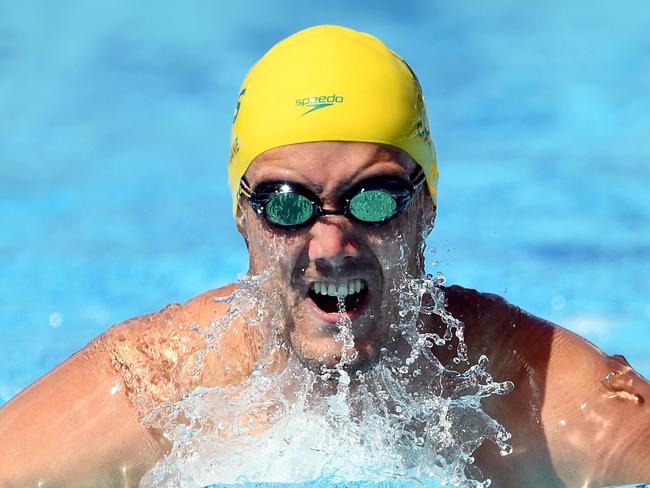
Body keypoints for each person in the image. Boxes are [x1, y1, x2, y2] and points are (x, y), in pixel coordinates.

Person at [1, 25, 649, 488]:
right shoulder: (159, 387)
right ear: (241, 214)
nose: (331, 244)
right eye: (286, 203)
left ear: (426, 208)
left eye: (373, 200)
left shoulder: (526, 388)